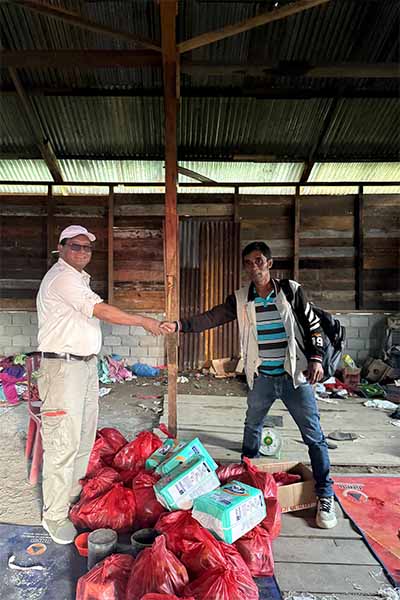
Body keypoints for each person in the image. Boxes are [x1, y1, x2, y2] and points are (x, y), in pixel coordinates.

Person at [160, 241, 337, 529]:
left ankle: (325, 495)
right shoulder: (242, 298)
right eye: (248, 263)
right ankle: (246, 484)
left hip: (294, 377)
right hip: (262, 377)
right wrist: (181, 326)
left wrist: (316, 359)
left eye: (259, 261)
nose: (254, 267)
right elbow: (213, 316)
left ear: (269, 263)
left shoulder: (291, 291)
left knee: (313, 436)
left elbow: (313, 325)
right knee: (252, 426)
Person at [36, 225, 161, 544]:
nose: (82, 252)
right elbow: (100, 310)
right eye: (75, 246)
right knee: (63, 441)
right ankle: (54, 515)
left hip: (84, 366)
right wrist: (142, 320)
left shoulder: (79, 279)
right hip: (63, 369)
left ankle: (73, 497)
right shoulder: (62, 277)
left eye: (87, 248)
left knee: (82, 436)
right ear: (61, 248)